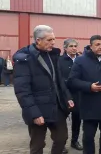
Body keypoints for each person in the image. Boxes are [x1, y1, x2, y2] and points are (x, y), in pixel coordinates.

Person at [12, 25, 74, 154]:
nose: (53, 43)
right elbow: (22, 91)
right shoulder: (24, 58)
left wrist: (67, 97)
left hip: (56, 107)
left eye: (54, 39)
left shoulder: (53, 55)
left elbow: (59, 81)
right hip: (38, 109)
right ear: (38, 40)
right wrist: (34, 114)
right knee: (38, 144)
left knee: (62, 138)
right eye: (49, 40)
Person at [58, 38, 83, 152]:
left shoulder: (81, 60)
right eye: (71, 46)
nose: (73, 48)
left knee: (77, 119)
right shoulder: (60, 61)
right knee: (62, 120)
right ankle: (61, 143)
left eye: (75, 46)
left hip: (78, 93)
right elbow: (59, 78)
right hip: (64, 93)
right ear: (65, 48)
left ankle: (74, 141)